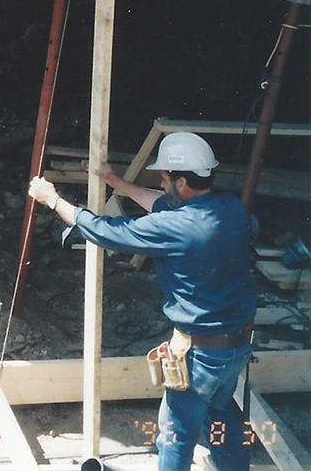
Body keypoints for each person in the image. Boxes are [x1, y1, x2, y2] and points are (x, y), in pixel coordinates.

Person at [28, 132, 256, 471]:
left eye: (164, 178)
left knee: (175, 433)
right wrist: (116, 182)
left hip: (202, 356)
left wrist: (54, 201)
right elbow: (162, 204)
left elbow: (105, 231)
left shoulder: (174, 227)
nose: (161, 183)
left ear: (181, 182)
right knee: (221, 417)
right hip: (238, 347)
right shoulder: (230, 208)